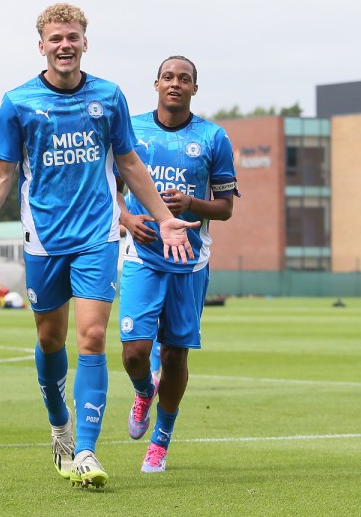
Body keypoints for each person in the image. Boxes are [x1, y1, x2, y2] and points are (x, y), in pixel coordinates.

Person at [0, 3, 198, 489]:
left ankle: (85, 450)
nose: (65, 45)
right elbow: (1, 173)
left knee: (93, 339)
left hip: (97, 238)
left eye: (73, 37)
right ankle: (59, 425)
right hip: (43, 242)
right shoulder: (18, 103)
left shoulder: (109, 96)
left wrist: (164, 219)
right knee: (49, 340)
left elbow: (130, 165)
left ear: (85, 42)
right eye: (56, 38)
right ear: (42, 46)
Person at [116, 56, 238, 473]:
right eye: (168, 77)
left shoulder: (212, 137)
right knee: (134, 353)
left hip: (189, 262)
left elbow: (223, 209)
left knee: (174, 357)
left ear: (194, 89)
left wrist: (192, 204)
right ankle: (142, 391)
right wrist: (127, 219)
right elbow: (107, 188)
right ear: (156, 84)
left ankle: (161, 442)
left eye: (184, 79)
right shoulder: (130, 129)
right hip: (142, 255)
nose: (175, 84)